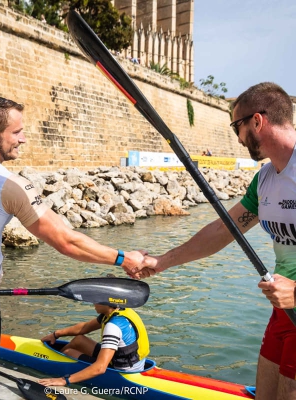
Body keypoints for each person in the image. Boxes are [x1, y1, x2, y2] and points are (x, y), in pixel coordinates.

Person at [0, 96, 156, 400]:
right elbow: (65, 240)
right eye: (17, 132)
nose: (23, 139)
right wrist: (123, 258)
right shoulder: (7, 183)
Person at [137, 82, 296, 400]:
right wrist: (161, 262)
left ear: (257, 121)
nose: (237, 139)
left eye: (237, 127)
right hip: (283, 312)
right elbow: (223, 230)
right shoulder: (264, 179)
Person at [38, 303, 149, 387]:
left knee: (69, 352)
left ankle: (51, 363)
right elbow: (85, 327)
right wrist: (56, 334)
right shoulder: (121, 310)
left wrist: (64, 380)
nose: (93, 303)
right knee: (79, 340)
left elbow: (100, 368)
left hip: (123, 371)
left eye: (96, 299)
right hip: (130, 360)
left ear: (107, 302)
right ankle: (54, 358)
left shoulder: (113, 326)